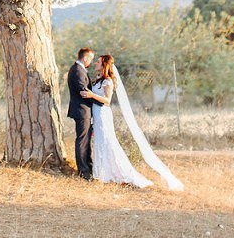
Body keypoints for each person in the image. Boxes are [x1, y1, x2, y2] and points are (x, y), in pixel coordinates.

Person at [80, 53, 184, 190]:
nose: (96, 64)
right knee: (100, 142)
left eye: (98, 62)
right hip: (97, 115)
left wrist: (92, 95)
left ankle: (116, 174)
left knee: (107, 142)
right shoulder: (98, 80)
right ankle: (102, 173)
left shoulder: (108, 81)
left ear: (104, 65)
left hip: (103, 115)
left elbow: (107, 101)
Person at [66, 46, 94, 179]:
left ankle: (88, 167)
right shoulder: (78, 71)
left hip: (83, 111)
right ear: (86, 57)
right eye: (91, 59)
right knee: (82, 141)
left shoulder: (79, 69)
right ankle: (83, 171)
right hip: (82, 111)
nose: (91, 62)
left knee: (85, 140)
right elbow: (84, 92)